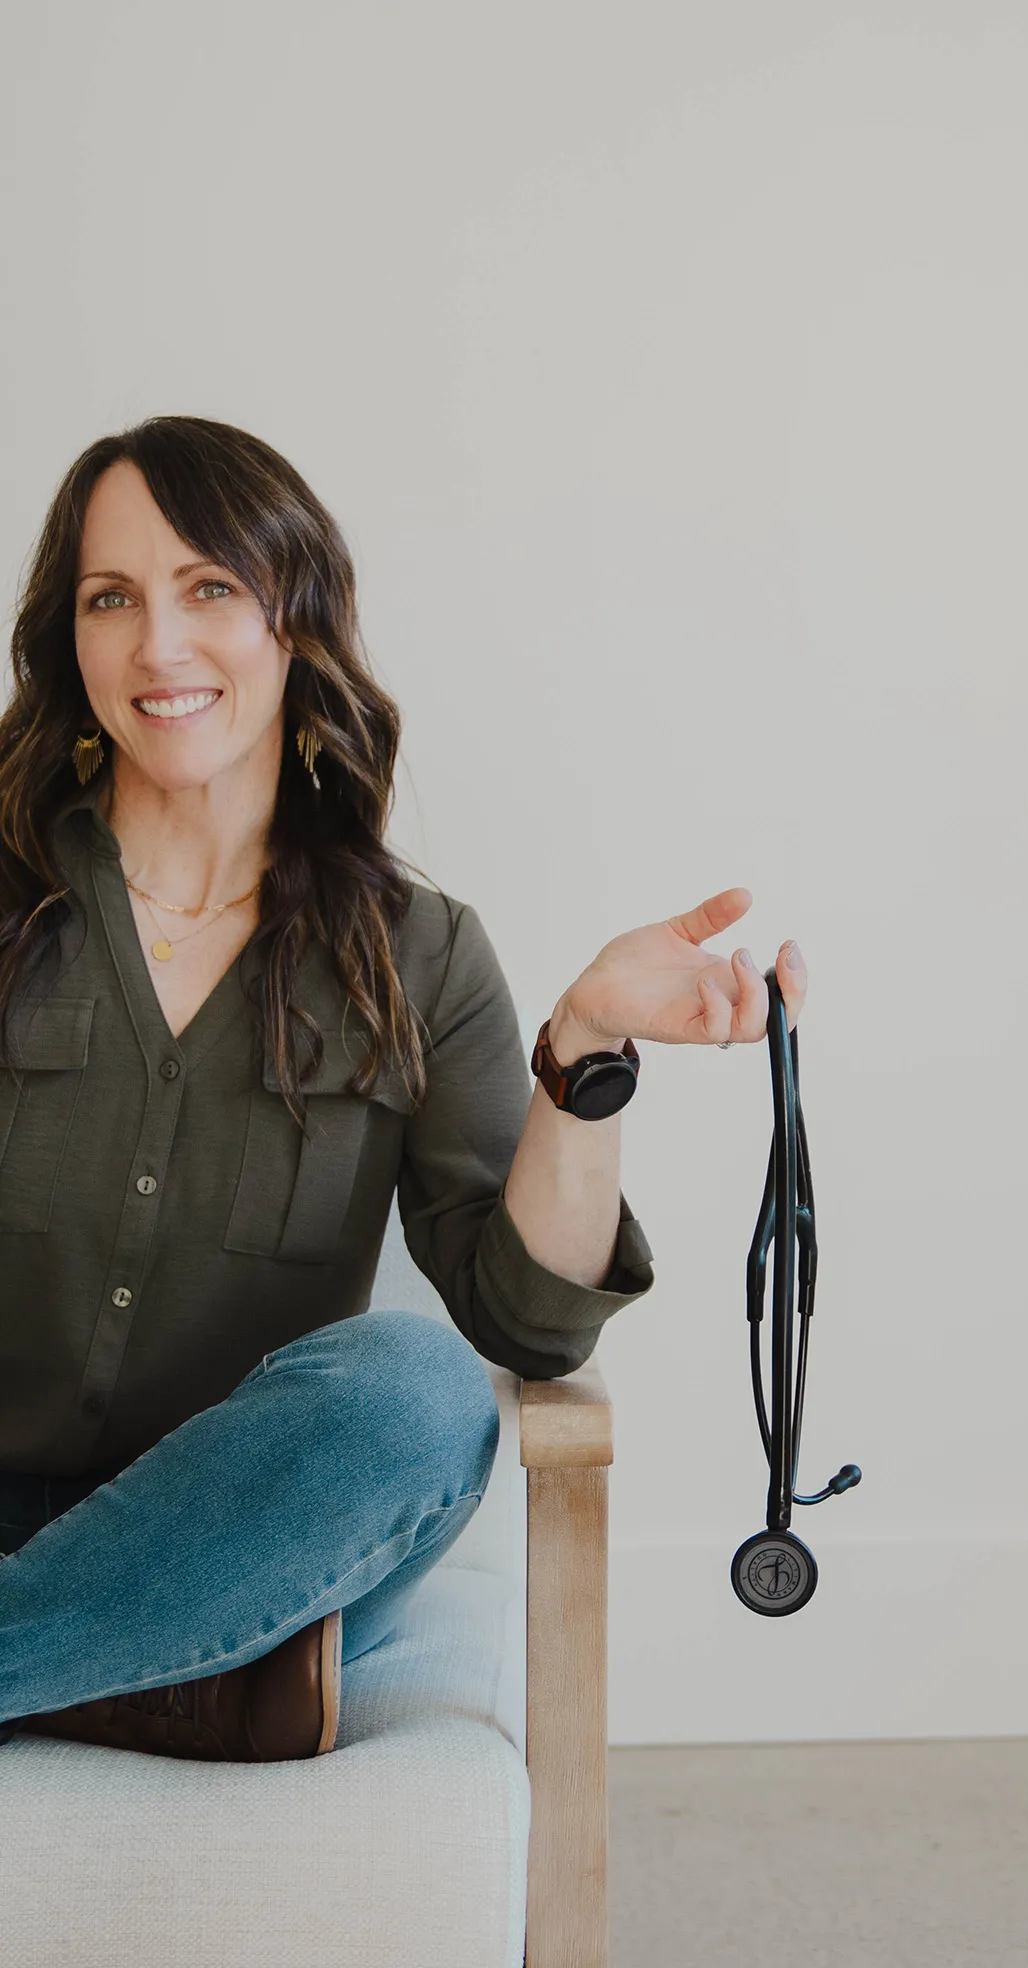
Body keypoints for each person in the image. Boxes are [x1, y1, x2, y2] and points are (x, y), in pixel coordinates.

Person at [0, 415, 808, 1763]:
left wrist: (587, 1055)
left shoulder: (419, 956)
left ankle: (131, 1642)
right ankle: (162, 1676)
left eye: (210, 589)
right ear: (67, 640)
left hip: (263, 1537)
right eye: (111, 599)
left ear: (294, 622)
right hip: (158, 1574)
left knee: (418, 1388)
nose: (158, 645)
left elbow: (532, 1323)